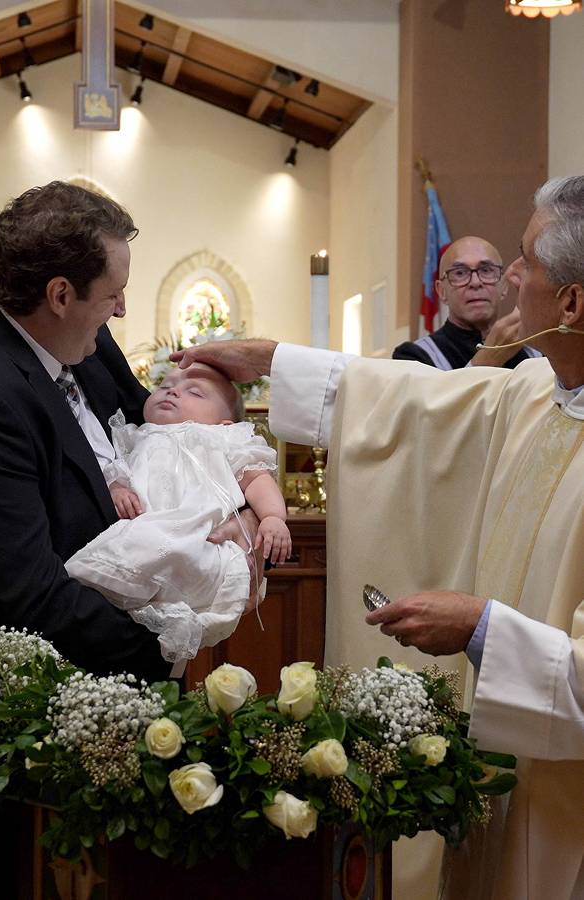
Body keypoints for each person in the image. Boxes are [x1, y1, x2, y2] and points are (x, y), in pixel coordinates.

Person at [172, 175, 584, 900]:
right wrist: (271, 360)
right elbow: (416, 401)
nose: (511, 279)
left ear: (573, 303)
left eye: (524, 261)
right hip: (508, 775)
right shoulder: (536, 393)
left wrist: (482, 629)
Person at [0, 181, 259, 897]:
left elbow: (174, 444)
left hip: (110, 700)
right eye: (114, 293)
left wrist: (244, 517)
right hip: (27, 728)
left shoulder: (84, 347)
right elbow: (27, 594)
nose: (123, 309)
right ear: (61, 294)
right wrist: (167, 645)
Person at [66, 362, 290, 671]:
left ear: (225, 424)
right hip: (147, 528)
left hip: (198, 536)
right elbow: (114, 469)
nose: (172, 391)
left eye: (195, 392)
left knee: (159, 548)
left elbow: (256, 479)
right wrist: (117, 488)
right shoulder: (135, 435)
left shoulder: (222, 439)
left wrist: (273, 517)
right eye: (164, 385)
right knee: (130, 548)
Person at [393, 235, 541, 370]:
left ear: (503, 286)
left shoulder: (536, 352)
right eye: (460, 273)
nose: (475, 283)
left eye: (486, 270)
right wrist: (490, 356)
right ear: (441, 291)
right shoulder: (415, 357)